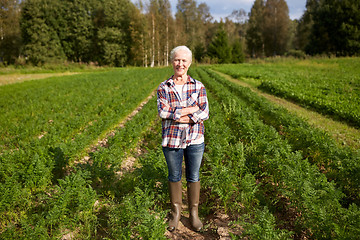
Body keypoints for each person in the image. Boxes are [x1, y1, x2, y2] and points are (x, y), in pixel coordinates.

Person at [157, 46, 209, 232]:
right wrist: (189, 109)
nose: (180, 64)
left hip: (195, 139)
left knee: (193, 176)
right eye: (177, 60)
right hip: (171, 140)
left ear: (190, 63)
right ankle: (176, 213)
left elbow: (204, 112)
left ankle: (194, 214)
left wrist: (177, 114)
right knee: (174, 176)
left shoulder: (198, 86)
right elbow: (163, 112)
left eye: (184, 60)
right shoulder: (164, 87)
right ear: (172, 62)